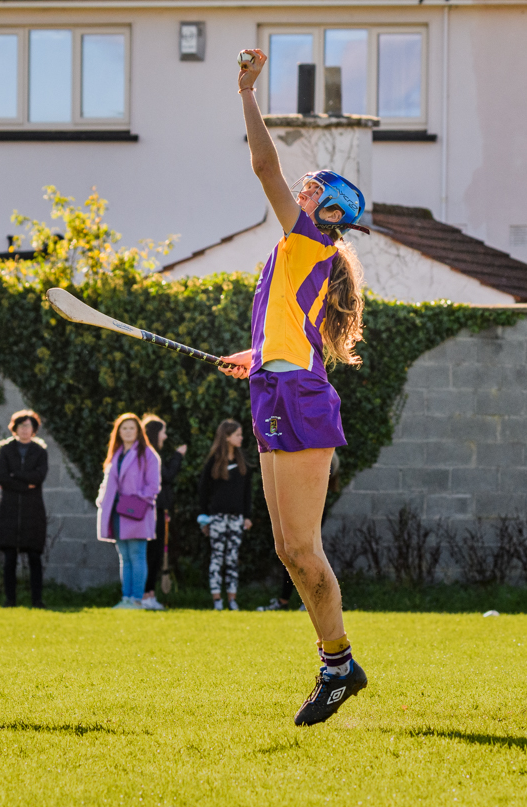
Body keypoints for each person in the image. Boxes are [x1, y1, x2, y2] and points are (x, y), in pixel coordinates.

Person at [218, 49, 368, 726]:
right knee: (285, 548)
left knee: (304, 549)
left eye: (311, 185)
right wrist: (260, 356)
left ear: (327, 208)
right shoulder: (296, 249)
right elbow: (292, 327)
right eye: (303, 184)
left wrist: (246, 92)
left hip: (303, 400)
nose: (298, 187)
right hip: (275, 390)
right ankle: (337, 661)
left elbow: (261, 166)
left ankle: (338, 666)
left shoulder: (312, 237)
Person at [257, 451, 341, 612]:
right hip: (307, 508)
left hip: (310, 510)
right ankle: (289, 601)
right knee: (292, 553)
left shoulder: (322, 458)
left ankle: (311, 603)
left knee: (303, 554)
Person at [96, 413, 161, 609]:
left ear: (139, 431)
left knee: (137, 554)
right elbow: (107, 484)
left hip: (136, 512)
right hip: (116, 512)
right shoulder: (115, 454)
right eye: (124, 428)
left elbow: (153, 487)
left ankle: (136, 599)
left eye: (132, 428)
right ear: (118, 432)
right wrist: (102, 500)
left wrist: (135, 500)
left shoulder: (148, 454)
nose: (128, 432)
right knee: (124, 556)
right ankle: (126, 598)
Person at [0, 409, 48, 608]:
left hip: (33, 512)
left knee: (34, 556)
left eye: (29, 426)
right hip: (9, 510)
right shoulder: (5, 450)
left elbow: (39, 477)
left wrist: (15, 476)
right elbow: (2, 478)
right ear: (15, 428)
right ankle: (10, 600)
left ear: (34, 429)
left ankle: (37, 600)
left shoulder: (40, 452)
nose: (25, 429)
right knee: (9, 558)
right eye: (22, 425)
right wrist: (25, 484)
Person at [197, 419, 252, 611]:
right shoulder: (213, 462)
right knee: (217, 557)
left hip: (236, 518)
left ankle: (232, 600)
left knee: (232, 558)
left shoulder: (242, 461)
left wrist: (247, 516)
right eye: (237, 434)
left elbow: (247, 492)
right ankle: (217, 600)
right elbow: (203, 491)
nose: (241, 438)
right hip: (217, 518)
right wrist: (204, 518)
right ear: (227, 437)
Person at [141, 414, 187, 610]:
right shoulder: (150, 456)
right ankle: (145, 595)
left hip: (160, 511)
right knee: (151, 554)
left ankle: (149, 594)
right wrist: (178, 456)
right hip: (152, 511)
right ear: (155, 433)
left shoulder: (152, 454)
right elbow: (166, 476)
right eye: (163, 432)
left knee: (156, 554)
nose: (165, 436)